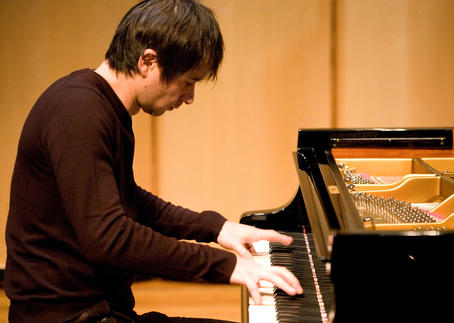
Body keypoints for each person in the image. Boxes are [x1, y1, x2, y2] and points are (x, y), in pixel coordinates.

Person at [4, 0, 303, 322]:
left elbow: (128, 199)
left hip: (95, 309)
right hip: (68, 316)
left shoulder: (97, 106)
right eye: (188, 81)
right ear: (148, 60)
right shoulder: (80, 113)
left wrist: (216, 228)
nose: (190, 97)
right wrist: (226, 265)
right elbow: (109, 237)